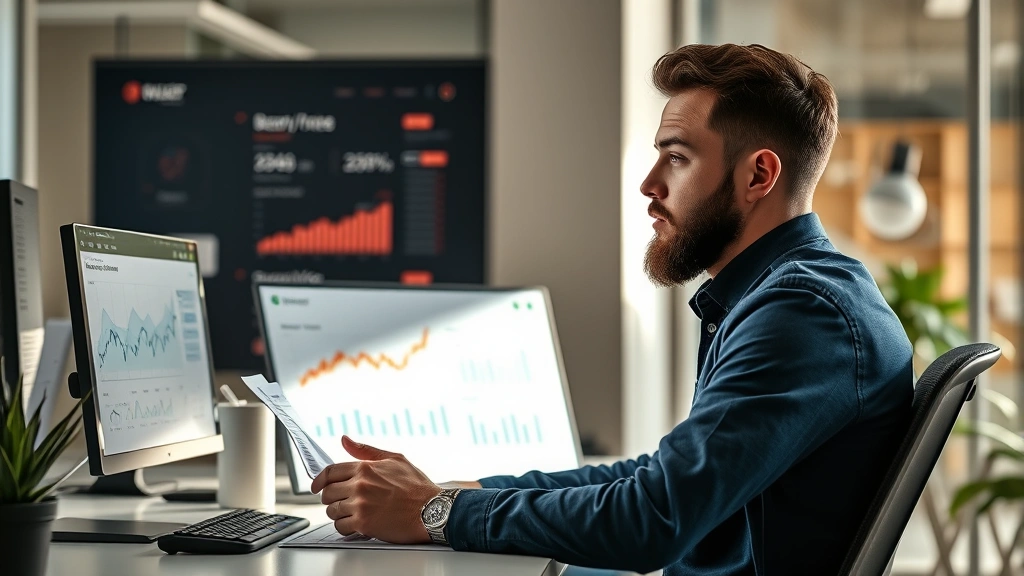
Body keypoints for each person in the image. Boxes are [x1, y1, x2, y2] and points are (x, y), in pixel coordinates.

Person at [310, 43, 913, 575]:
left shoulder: (803, 314)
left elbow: (652, 520)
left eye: (677, 157)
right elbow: (656, 481)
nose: (649, 183)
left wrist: (437, 513)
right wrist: (452, 493)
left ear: (759, 174)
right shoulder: (785, 295)